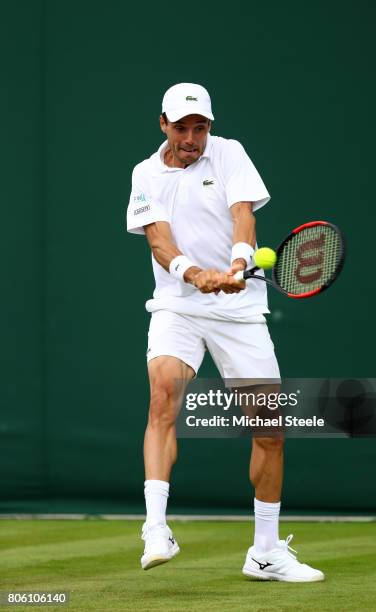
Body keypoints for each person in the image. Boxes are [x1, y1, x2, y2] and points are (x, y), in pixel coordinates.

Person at [126, 83, 324, 582]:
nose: (192, 137)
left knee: (271, 429)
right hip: (178, 305)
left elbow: (243, 215)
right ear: (163, 125)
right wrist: (197, 275)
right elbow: (159, 242)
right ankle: (155, 528)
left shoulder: (229, 153)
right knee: (163, 396)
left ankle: (265, 552)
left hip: (239, 314)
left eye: (201, 127)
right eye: (182, 127)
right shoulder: (145, 173)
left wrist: (237, 264)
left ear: (209, 126)